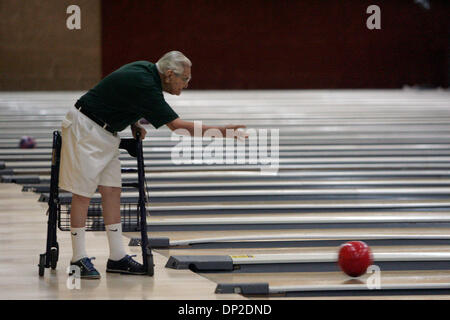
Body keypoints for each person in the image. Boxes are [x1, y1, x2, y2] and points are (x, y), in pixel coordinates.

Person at [59, 51, 247, 278]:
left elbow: (122, 98)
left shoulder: (145, 72)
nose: (187, 84)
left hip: (106, 133)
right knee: (82, 194)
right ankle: (78, 259)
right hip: (86, 128)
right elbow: (177, 126)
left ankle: (117, 257)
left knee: (112, 191)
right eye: (185, 79)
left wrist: (134, 123)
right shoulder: (146, 85)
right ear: (169, 74)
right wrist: (221, 132)